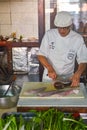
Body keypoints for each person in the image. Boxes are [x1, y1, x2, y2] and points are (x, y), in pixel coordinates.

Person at [37, 11, 87, 87]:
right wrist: (49, 68)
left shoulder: (77, 38)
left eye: (65, 28)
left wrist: (78, 73)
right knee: (47, 96)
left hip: (68, 78)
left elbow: (83, 60)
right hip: (49, 77)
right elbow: (41, 55)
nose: (62, 31)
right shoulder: (49, 35)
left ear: (70, 26)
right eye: (60, 28)